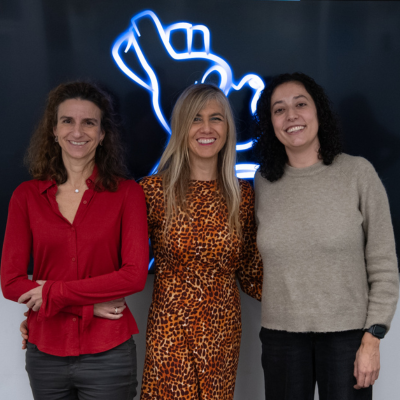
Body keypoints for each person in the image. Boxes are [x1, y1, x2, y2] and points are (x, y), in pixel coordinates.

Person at [253, 72, 399, 400]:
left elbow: (384, 266)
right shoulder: (263, 183)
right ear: (270, 123)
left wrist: (373, 338)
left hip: (347, 338)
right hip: (281, 339)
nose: (291, 116)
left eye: (300, 104)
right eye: (279, 109)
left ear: (318, 111)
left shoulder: (358, 173)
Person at [1, 81, 149, 400]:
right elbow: (11, 283)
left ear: (102, 133)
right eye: (67, 120)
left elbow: (134, 275)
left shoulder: (128, 194)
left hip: (109, 354)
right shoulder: (26, 197)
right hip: (45, 355)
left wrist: (53, 292)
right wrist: (88, 306)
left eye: (89, 122)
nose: (77, 131)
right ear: (54, 130)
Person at [138, 83, 263, 399]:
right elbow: (117, 260)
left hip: (222, 334)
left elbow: (254, 275)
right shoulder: (153, 191)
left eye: (215, 118)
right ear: (182, 127)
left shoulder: (242, 195)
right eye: (196, 118)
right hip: (170, 331)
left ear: (227, 127)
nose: (206, 128)